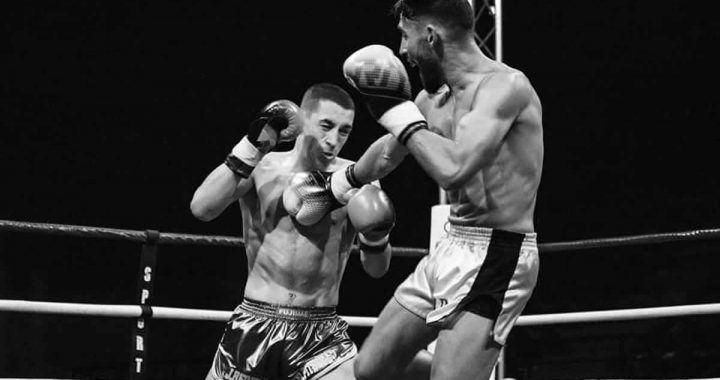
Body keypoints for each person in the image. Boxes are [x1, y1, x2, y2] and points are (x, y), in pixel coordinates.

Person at [337, 0, 544, 379]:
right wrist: (341, 181)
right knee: (370, 370)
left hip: (498, 252)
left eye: (405, 36)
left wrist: (399, 115)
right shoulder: (429, 100)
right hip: (450, 245)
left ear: (430, 36)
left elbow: (456, 169)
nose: (402, 52)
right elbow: (386, 156)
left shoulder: (504, 87)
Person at [190, 83, 401, 380]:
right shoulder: (263, 168)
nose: (333, 140)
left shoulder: (356, 179)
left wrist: (377, 236)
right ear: (301, 120)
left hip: (321, 335)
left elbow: (377, 270)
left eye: (344, 131)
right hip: (254, 323)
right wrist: (250, 146)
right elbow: (202, 208)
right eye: (326, 126)